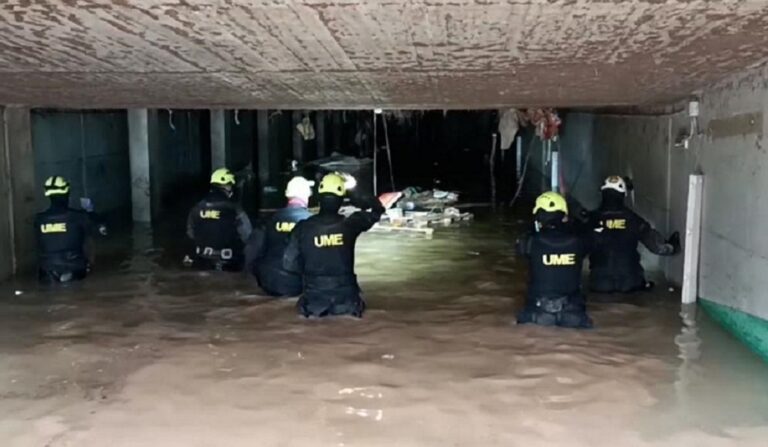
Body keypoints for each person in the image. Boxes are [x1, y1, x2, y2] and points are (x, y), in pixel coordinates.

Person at [283, 172, 384, 318]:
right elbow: (377, 210)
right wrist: (354, 191)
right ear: (341, 199)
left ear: (318, 198)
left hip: (314, 301)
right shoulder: (351, 224)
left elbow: (288, 264)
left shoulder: (302, 228)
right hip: (347, 300)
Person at [587, 176, 680, 293]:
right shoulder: (634, 220)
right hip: (630, 282)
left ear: (603, 193)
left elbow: (576, 249)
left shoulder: (591, 220)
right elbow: (658, 248)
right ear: (623, 194)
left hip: (599, 283)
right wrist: (673, 246)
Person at [517, 191, 594, 328]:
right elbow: (591, 235)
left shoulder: (528, 242)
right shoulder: (580, 241)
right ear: (564, 216)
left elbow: (523, 252)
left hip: (539, 313)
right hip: (572, 314)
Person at [245, 176, 314, 297]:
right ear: (307, 195)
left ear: (288, 195)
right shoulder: (311, 222)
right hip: (296, 284)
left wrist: (257, 274)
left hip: (268, 282)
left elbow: (251, 250)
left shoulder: (270, 219)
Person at [34, 176, 107, 284]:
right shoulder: (80, 217)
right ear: (67, 193)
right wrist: (91, 212)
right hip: (75, 270)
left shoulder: (38, 220)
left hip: (46, 273)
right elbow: (100, 232)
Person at [186, 168, 252, 271]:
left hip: (202, 261)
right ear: (227, 186)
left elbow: (190, 233)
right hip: (229, 263)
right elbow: (247, 235)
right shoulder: (235, 209)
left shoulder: (197, 208)